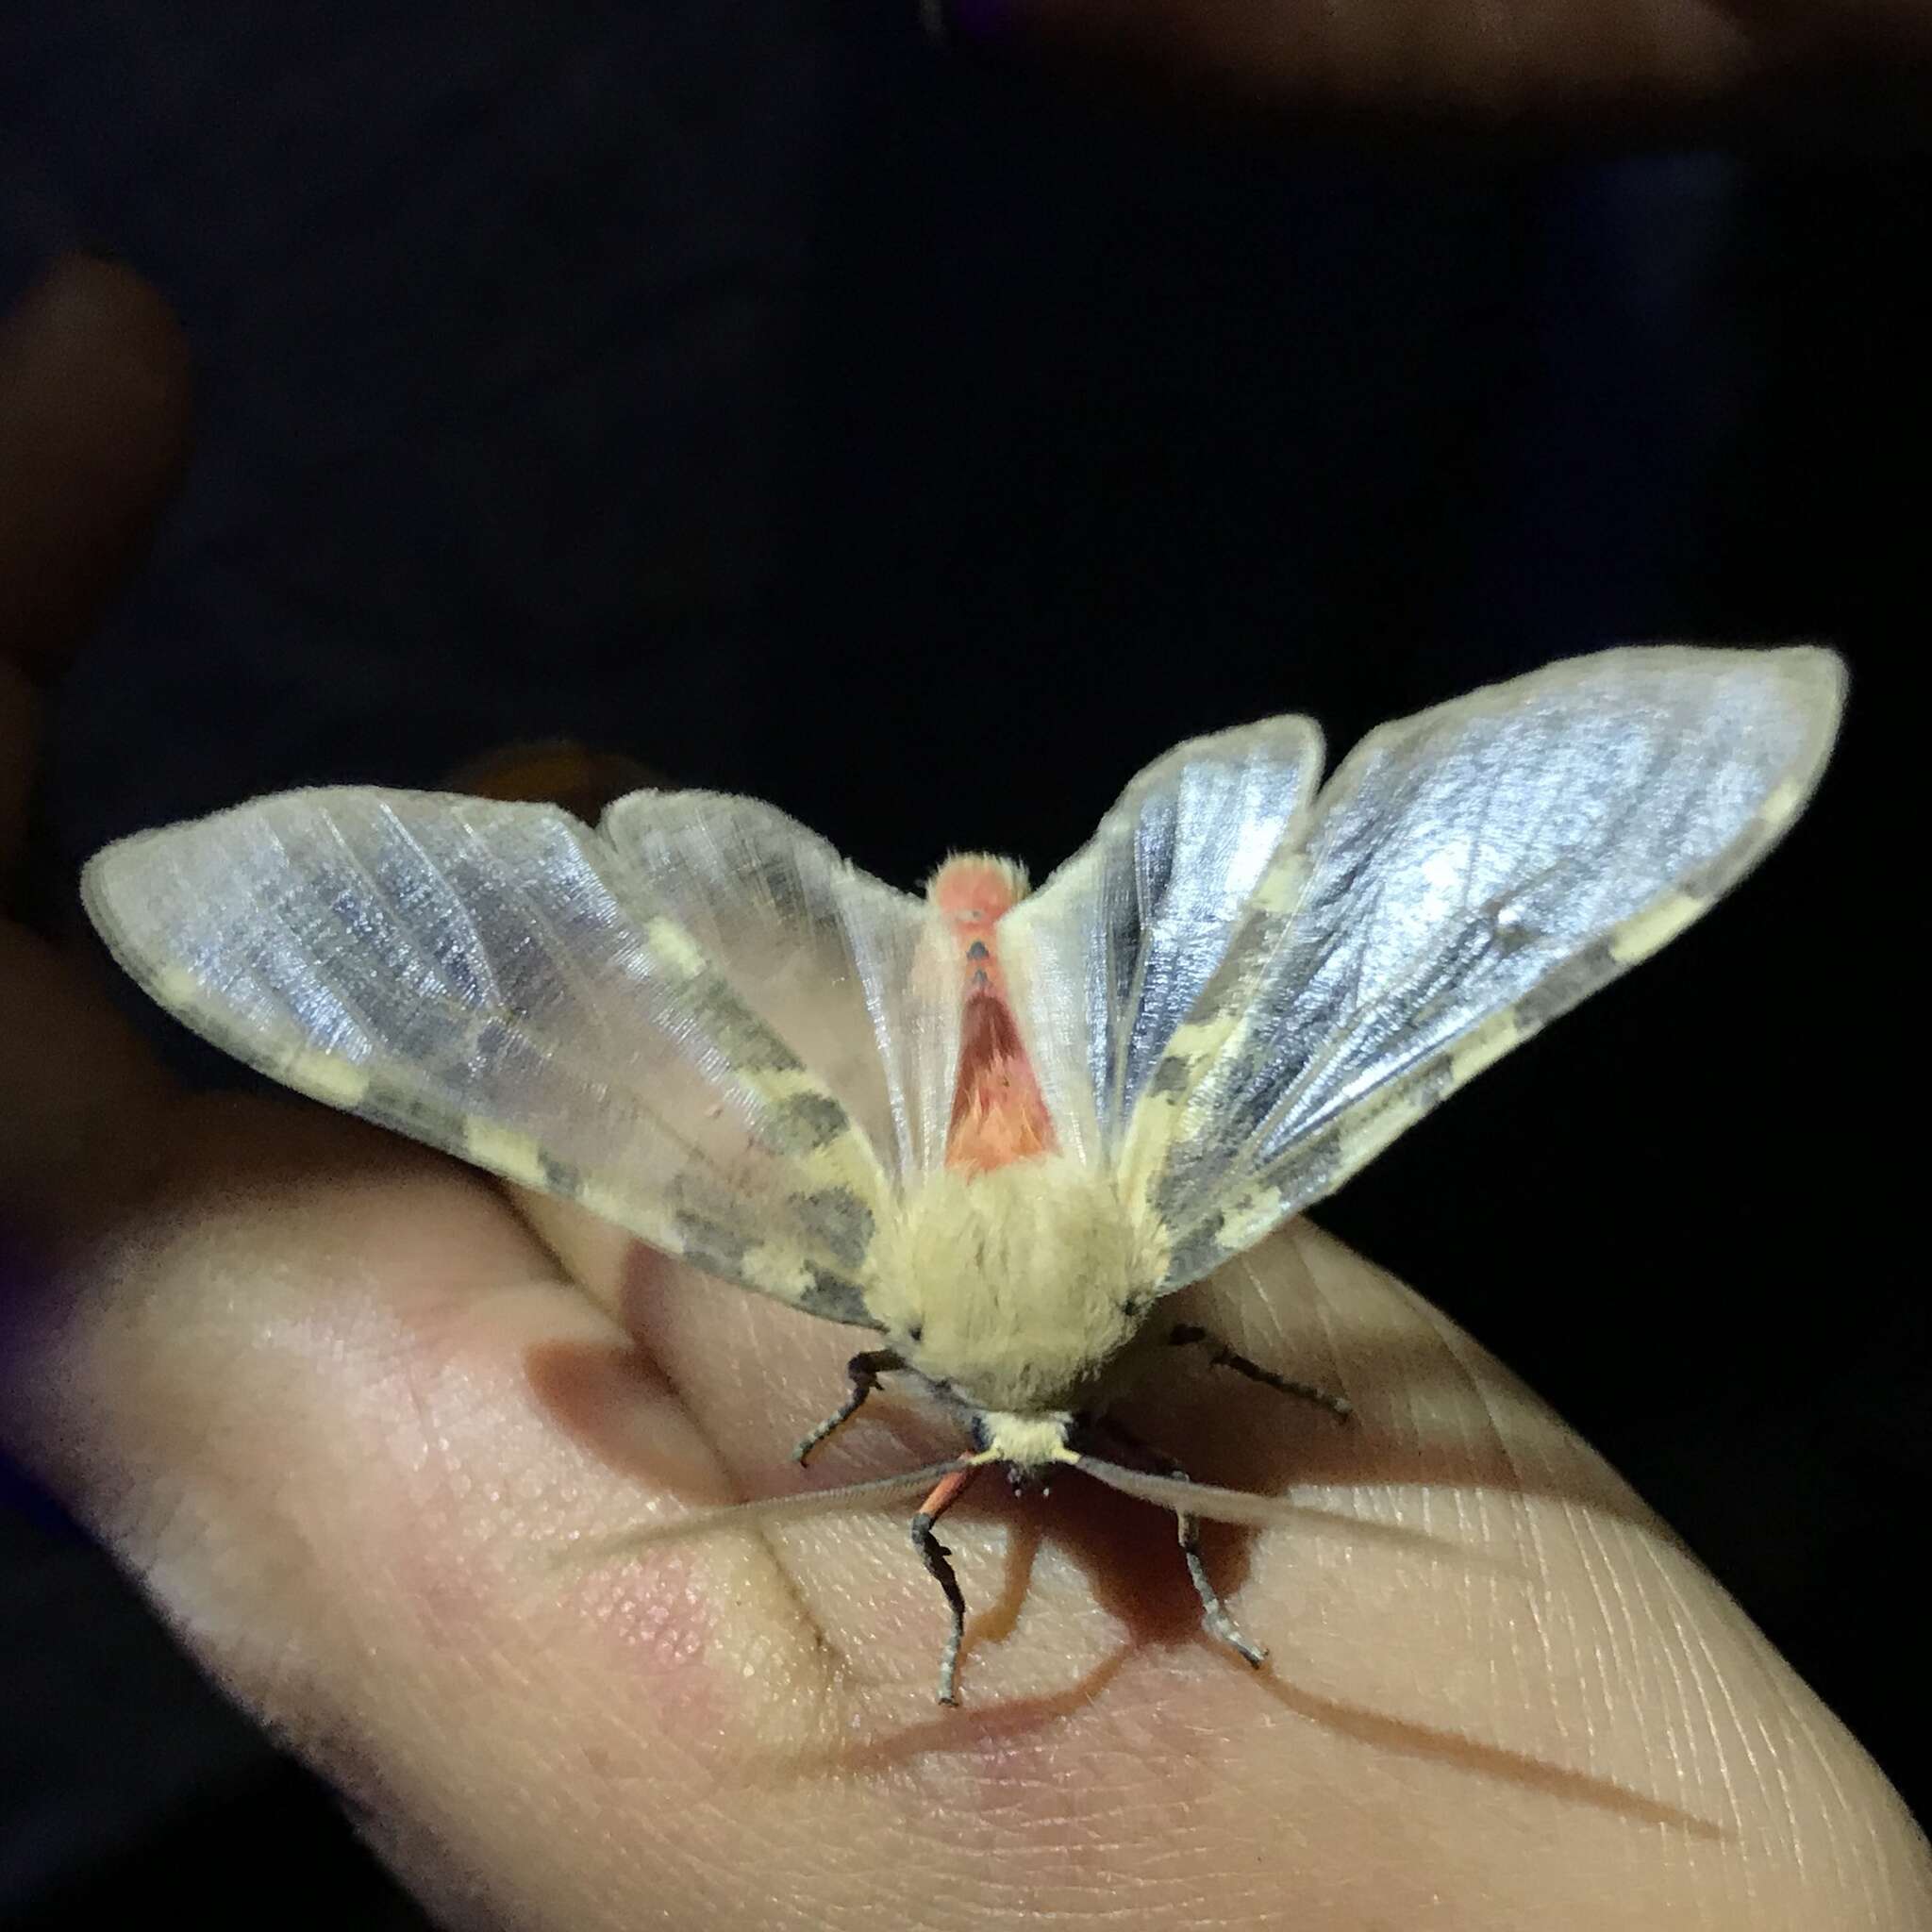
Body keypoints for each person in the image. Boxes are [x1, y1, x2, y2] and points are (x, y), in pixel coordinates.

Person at [3, 7, 1927, 1917]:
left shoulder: (1049, 1281)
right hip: (1069, 1032)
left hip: (997, 1037)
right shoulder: (1121, 1256)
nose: (1025, 1454)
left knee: (520, 1052)